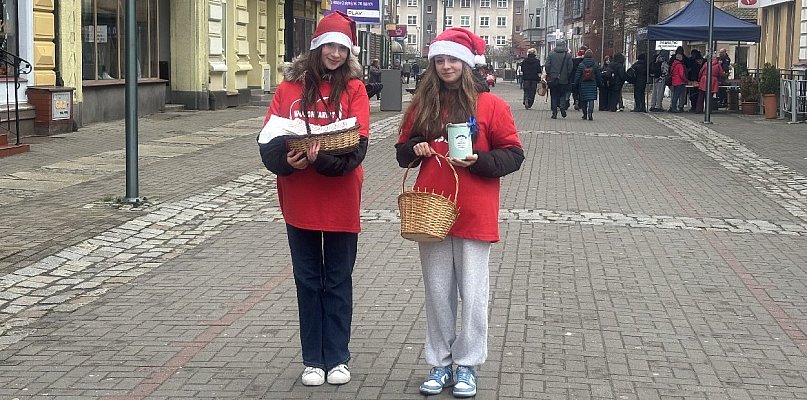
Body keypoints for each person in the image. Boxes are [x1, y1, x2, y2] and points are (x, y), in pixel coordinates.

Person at [394, 27, 524, 398]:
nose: (446, 66)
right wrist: (416, 147)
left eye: (452, 59)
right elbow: (402, 151)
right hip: (431, 209)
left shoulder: (491, 105)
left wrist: (479, 160)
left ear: (466, 64)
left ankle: (467, 364)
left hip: (474, 210)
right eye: (440, 60)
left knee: (473, 293)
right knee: (438, 293)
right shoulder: (423, 103)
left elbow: (513, 154)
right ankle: (440, 362)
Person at [257, 10, 369, 388]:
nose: (335, 54)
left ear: (348, 52)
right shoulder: (289, 88)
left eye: (342, 48)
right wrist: (284, 162)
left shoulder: (354, 89)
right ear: (316, 47)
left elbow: (356, 152)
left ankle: (337, 357)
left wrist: (320, 160)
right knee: (307, 281)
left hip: (341, 200)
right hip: (299, 200)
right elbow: (269, 141)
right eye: (329, 46)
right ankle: (313, 361)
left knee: (337, 280)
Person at [544, 39, 573, 119]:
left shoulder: (551, 54)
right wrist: (567, 75)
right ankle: (562, 106)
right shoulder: (568, 55)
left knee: (554, 95)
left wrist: (549, 73)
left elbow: (547, 65)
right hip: (564, 79)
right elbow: (570, 67)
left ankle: (554, 112)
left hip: (553, 79)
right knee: (563, 94)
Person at [572, 49, 603, 120]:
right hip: (593, 84)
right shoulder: (595, 65)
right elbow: (598, 75)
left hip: (583, 84)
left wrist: (575, 83)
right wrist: (600, 84)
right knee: (591, 99)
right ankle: (590, 114)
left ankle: (585, 114)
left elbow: (577, 75)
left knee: (583, 100)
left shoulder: (581, 65)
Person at [570, 46, 587, 110]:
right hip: (583, 79)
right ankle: (580, 103)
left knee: (575, 91)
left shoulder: (573, 61)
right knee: (581, 92)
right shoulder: (585, 62)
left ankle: (575, 100)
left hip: (574, 78)